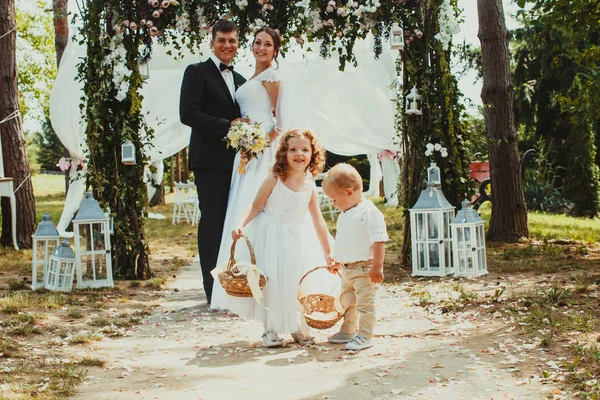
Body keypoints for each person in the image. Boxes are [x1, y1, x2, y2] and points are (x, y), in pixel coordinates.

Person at [214, 129, 333, 348]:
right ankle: (270, 328)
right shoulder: (275, 178)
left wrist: (328, 253)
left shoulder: (310, 186)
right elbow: (255, 206)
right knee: (272, 283)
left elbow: (319, 221)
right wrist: (240, 223)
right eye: (293, 149)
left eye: (305, 150)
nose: (299, 154)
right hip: (271, 238)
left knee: (295, 283)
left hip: (297, 239)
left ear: (313, 154)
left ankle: (297, 327)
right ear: (284, 153)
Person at [211, 26, 283, 306]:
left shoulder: (272, 76)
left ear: (275, 50)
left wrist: (262, 142)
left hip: (262, 150)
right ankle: (239, 275)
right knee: (243, 205)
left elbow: (280, 118)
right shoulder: (246, 77)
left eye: (267, 44)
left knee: (260, 204)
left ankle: (265, 269)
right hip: (246, 150)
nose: (261, 48)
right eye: (257, 43)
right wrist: (245, 139)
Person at [179, 20, 246, 305]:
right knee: (213, 225)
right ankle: (213, 292)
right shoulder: (196, 72)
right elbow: (188, 114)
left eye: (232, 40)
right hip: (210, 162)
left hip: (240, 165)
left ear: (237, 43)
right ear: (212, 42)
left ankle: (235, 285)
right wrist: (228, 126)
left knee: (236, 224)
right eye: (222, 40)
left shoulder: (242, 80)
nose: (227, 45)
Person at [322, 163, 388, 351]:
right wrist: (337, 261)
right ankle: (349, 330)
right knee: (348, 303)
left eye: (334, 199)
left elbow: (379, 240)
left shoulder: (368, 212)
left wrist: (377, 266)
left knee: (365, 304)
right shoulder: (346, 213)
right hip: (348, 269)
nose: (333, 204)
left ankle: (366, 335)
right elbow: (344, 242)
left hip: (364, 269)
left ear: (349, 192)